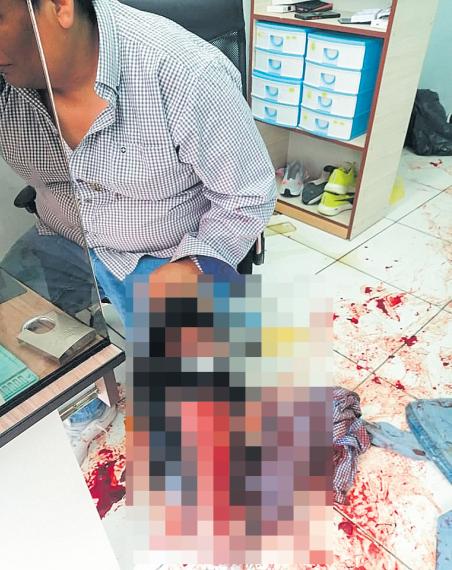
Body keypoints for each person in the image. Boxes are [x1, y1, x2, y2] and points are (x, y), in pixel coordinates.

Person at [0, 0, 276, 464]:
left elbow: (248, 193)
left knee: (202, 423)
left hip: (162, 253)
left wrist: (196, 263)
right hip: (62, 234)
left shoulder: (184, 72)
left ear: (59, 6)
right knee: (23, 328)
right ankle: (87, 400)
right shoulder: (12, 78)